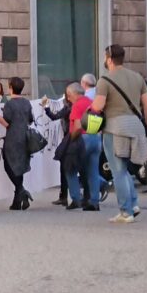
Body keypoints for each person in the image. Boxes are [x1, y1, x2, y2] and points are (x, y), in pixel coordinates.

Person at [90, 44, 147, 224]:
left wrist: (91, 108)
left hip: (115, 128)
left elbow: (98, 106)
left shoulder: (105, 80)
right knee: (125, 169)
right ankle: (133, 204)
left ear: (109, 59)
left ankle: (125, 212)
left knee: (117, 170)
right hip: (135, 126)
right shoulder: (137, 77)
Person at [61, 83, 103, 211]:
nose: (68, 98)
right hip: (96, 138)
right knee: (93, 171)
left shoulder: (77, 105)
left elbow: (78, 126)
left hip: (82, 139)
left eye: (69, 95)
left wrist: (71, 139)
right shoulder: (92, 102)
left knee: (70, 168)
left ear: (75, 94)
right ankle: (94, 201)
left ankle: (76, 199)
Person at [0, 77, 34, 211]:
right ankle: (17, 202)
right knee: (19, 167)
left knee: (8, 165)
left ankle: (22, 191)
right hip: (25, 138)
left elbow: (7, 123)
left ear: (10, 87)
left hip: (12, 138)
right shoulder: (27, 103)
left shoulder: (10, 104)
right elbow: (30, 120)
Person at [43, 94, 73, 206]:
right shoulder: (80, 105)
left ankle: (64, 196)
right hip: (79, 137)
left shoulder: (68, 108)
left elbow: (54, 116)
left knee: (65, 166)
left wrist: (46, 106)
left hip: (69, 138)